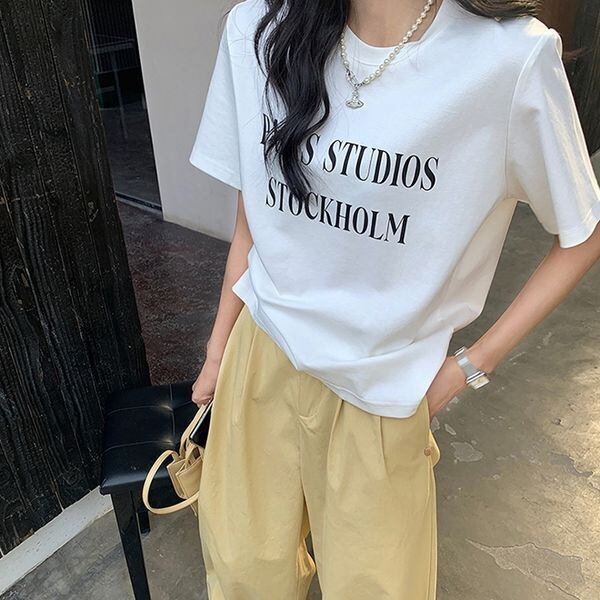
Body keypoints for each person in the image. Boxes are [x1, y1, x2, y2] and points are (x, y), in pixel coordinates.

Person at [188, 0, 600, 597]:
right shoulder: (259, 27)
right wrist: (217, 352)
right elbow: (254, 219)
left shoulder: (508, 59)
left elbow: (582, 233)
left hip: (379, 390)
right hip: (260, 358)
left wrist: (466, 369)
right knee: (242, 578)